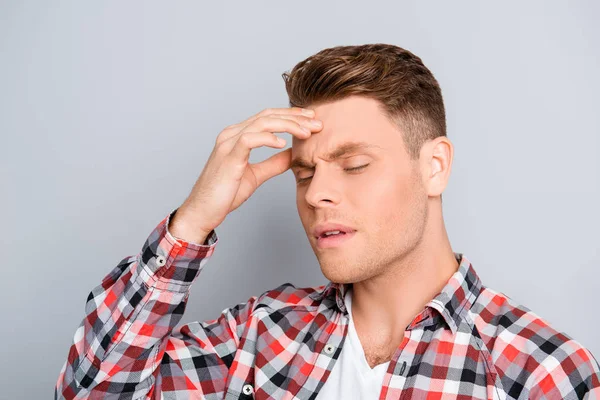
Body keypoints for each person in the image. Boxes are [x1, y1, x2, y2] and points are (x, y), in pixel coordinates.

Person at [55, 43, 599, 400]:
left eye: (354, 165)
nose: (317, 193)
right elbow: (90, 392)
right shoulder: (261, 335)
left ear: (434, 167)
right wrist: (194, 220)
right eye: (303, 172)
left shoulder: (539, 373)